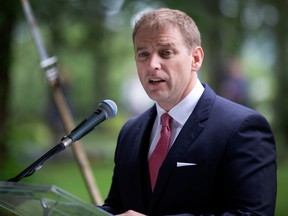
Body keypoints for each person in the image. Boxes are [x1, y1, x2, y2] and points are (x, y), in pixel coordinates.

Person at [101, 8, 277, 216]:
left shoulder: (242, 128)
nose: (152, 65)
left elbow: (253, 214)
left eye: (166, 52)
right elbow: (117, 206)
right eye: (143, 54)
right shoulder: (130, 132)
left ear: (196, 59)